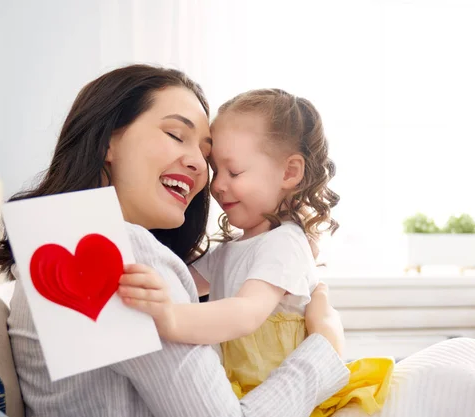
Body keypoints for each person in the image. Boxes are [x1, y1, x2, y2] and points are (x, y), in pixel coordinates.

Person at [0, 64, 349, 417]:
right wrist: (325, 349)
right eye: (176, 135)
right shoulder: (120, 249)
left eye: (206, 155)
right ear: (108, 140)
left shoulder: (58, 245)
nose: (200, 167)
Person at [118, 88, 394, 417]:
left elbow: (247, 312)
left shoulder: (285, 243)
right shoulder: (233, 250)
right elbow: (182, 280)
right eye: (215, 170)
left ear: (289, 173)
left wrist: (171, 317)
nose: (217, 185)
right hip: (248, 394)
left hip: (291, 401)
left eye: (233, 173)